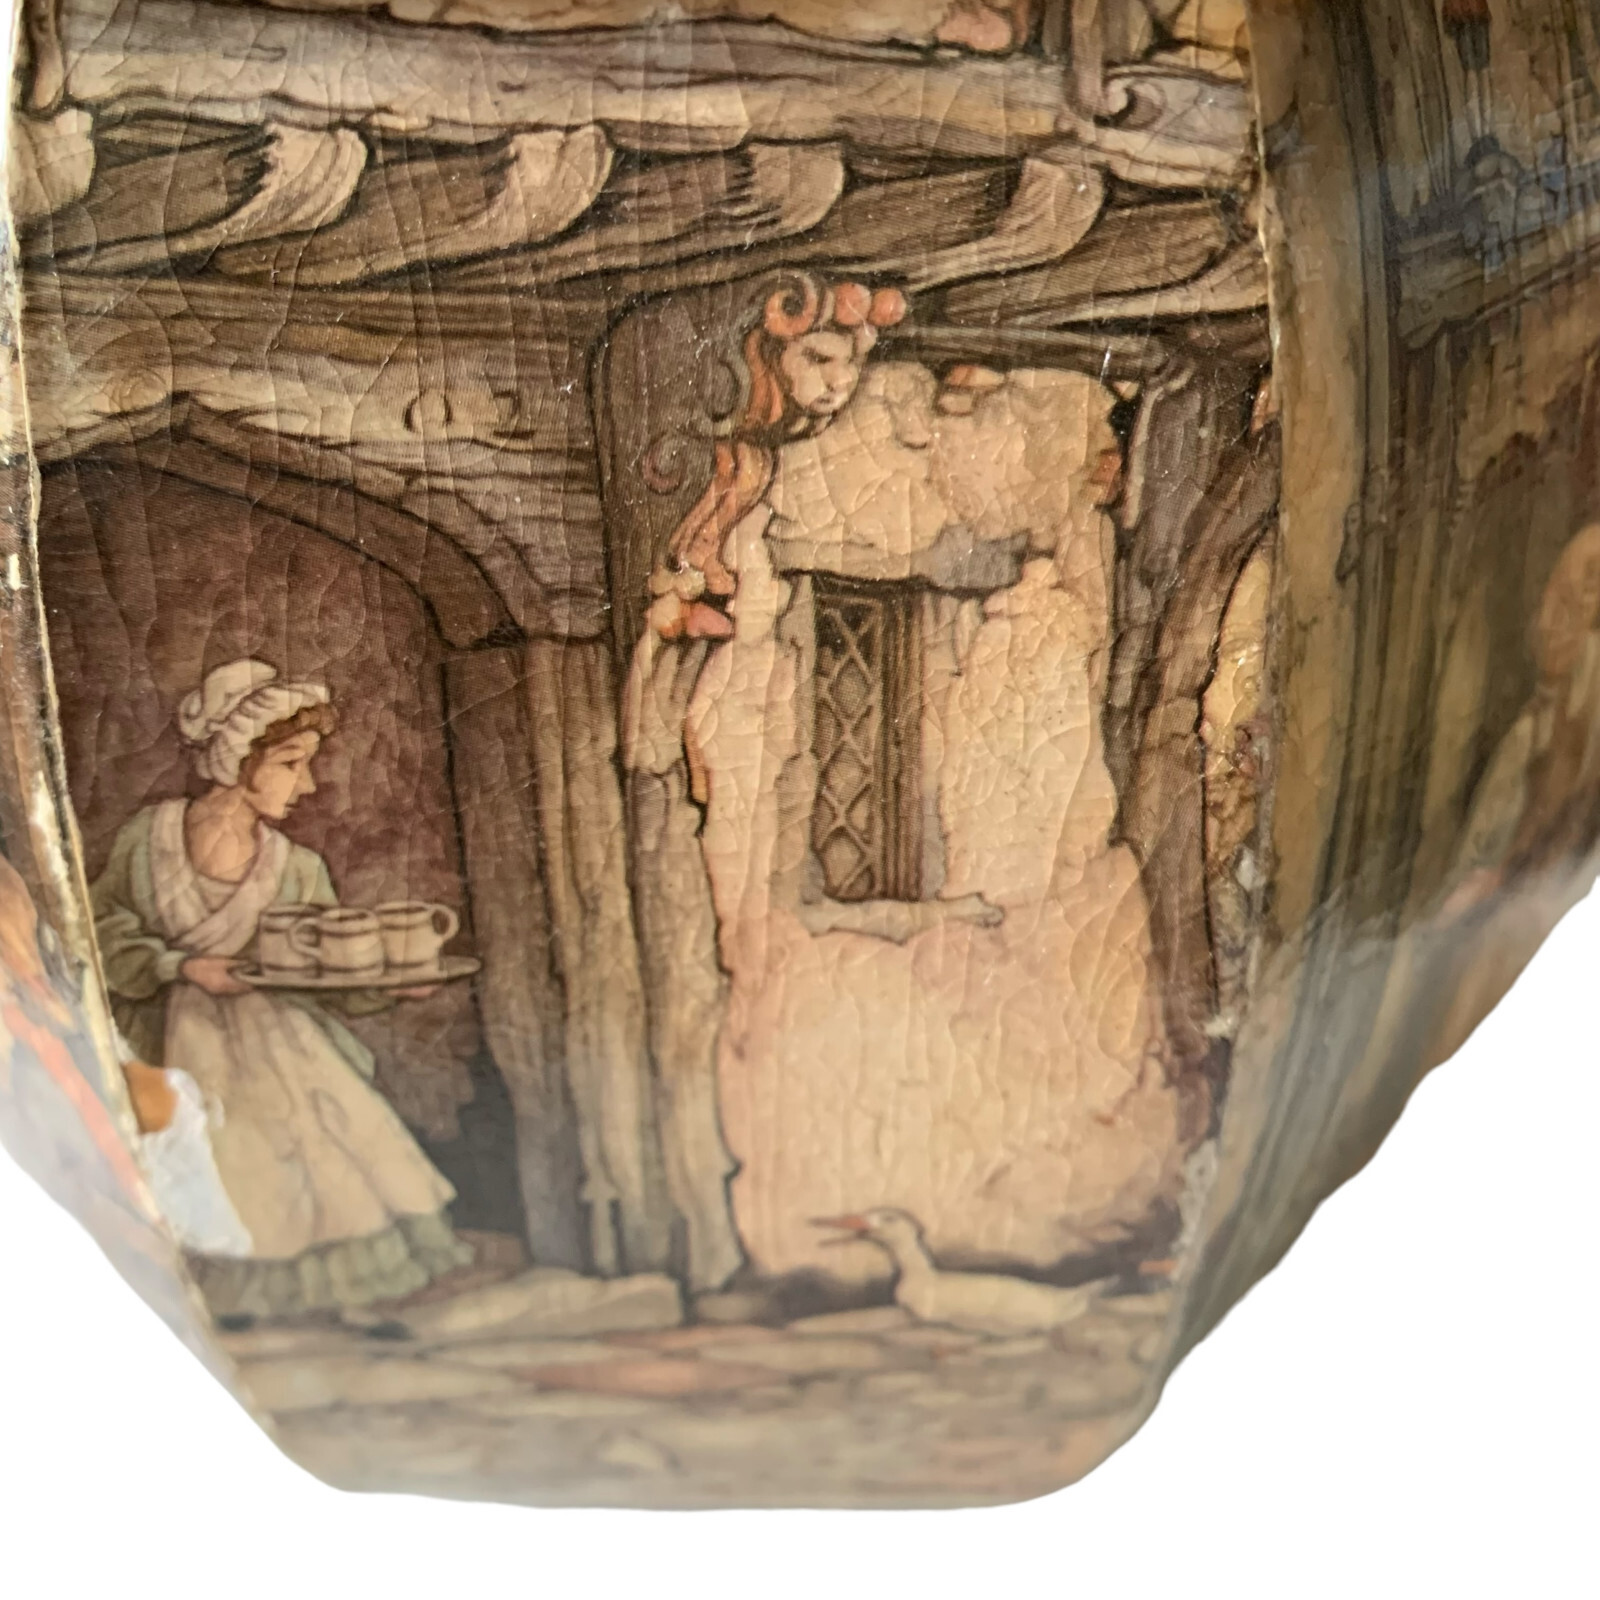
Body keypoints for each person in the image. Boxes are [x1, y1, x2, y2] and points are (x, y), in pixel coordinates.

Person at [90, 659, 470, 1321]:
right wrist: (181, 967)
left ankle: (345, 1298)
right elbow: (100, 929)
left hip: (282, 1044)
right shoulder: (147, 841)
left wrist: (391, 988)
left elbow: (323, 974)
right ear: (239, 759)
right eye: (292, 763)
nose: (309, 783)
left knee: (326, 1160)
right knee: (221, 1154)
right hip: (178, 1042)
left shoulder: (295, 866)